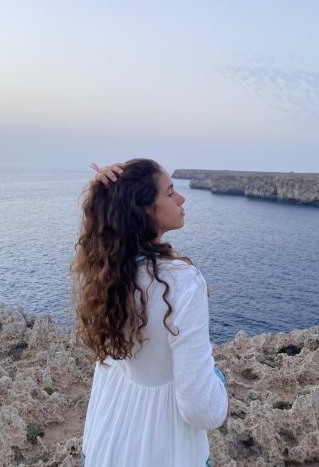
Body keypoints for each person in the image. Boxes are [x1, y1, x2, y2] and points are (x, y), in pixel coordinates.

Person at [71, 158, 230, 467]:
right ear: (144, 209)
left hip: (113, 432)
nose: (182, 198)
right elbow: (200, 407)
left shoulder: (108, 272)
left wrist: (107, 194)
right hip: (164, 443)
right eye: (170, 192)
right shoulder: (182, 282)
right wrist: (221, 392)